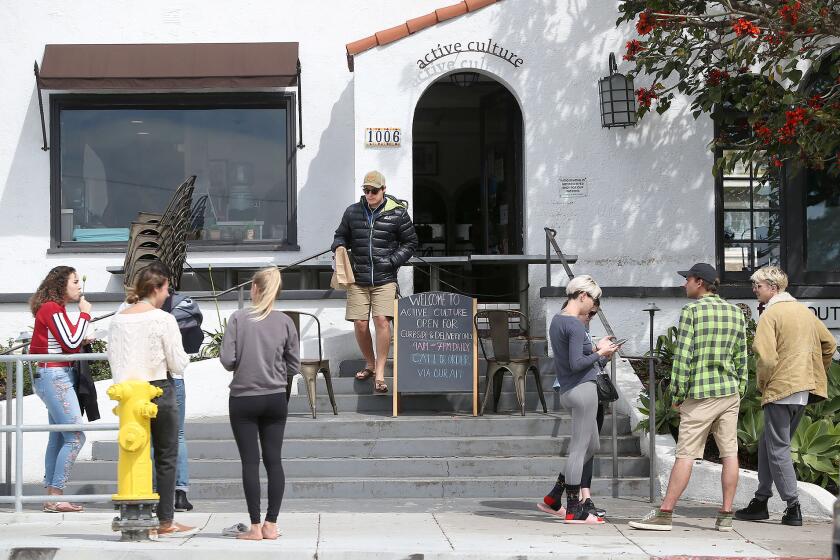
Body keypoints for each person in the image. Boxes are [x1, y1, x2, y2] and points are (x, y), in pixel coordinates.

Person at [630, 263, 747, 532]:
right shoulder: (734, 311)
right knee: (730, 453)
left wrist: (677, 394)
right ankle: (726, 516)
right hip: (729, 391)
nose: (685, 284)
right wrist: (739, 386)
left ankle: (666, 513)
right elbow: (742, 355)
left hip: (701, 394)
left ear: (700, 282)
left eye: (688, 279)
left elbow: (683, 356)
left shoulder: (692, 311)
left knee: (685, 454)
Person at [735, 266, 836, 526]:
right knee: (768, 443)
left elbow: (766, 357)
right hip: (802, 390)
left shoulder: (771, 314)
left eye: (758, 285)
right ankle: (760, 500)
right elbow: (830, 345)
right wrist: (812, 371)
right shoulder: (804, 311)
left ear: (773, 287)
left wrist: (762, 383)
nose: (754, 290)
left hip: (781, 389)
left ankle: (793, 507)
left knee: (778, 449)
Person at [107, 262, 196, 537]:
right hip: (159, 389)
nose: (169, 294)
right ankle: (165, 520)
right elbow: (178, 364)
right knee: (166, 456)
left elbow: (113, 359)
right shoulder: (163, 319)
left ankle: (137, 513)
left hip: (129, 393)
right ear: (155, 288)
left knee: (135, 453)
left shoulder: (119, 319)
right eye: (167, 288)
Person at [220, 267, 299, 541]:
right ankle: (271, 524)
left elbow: (227, 360)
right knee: (274, 461)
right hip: (276, 397)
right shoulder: (286, 322)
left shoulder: (238, 319)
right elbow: (294, 364)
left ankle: (254, 527)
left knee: (250, 462)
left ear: (254, 288)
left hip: (243, 398)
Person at [541, 275, 619, 524]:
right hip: (582, 390)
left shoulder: (558, 320)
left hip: (571, 389)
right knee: (578, 450)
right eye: (593, 300)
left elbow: (574, 357)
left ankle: (555, 496)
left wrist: (597, 350)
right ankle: (575, 508)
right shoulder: (574, 324)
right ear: (583, 295)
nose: (594, 307)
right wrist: (601, 354)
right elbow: (576, 364)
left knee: (591, 447)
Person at [331, 170, 417, 393]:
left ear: (383, 190)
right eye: (366, 190)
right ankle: (369, 363)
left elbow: (410, 243)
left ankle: (379, 372)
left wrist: (391, 261)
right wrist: (339, 245)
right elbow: (340, 235)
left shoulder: (397, 214)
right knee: (360, 324)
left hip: (385, 278)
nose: (369, 194)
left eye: (374, 191)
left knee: (381, 321)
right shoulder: (352, 212)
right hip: (358, 278)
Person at [28, 266, 92, 513]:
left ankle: (51, 496)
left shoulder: (54, 309)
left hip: (52, 374)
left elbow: (67, 342)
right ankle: (56, 494)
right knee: (75, 436)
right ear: (61, 284)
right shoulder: (52, 308)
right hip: (55, 375)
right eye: (75, 281)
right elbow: (71, 342)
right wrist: (85, 315)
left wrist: (79, 334)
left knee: (58, 436)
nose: (79, 286)